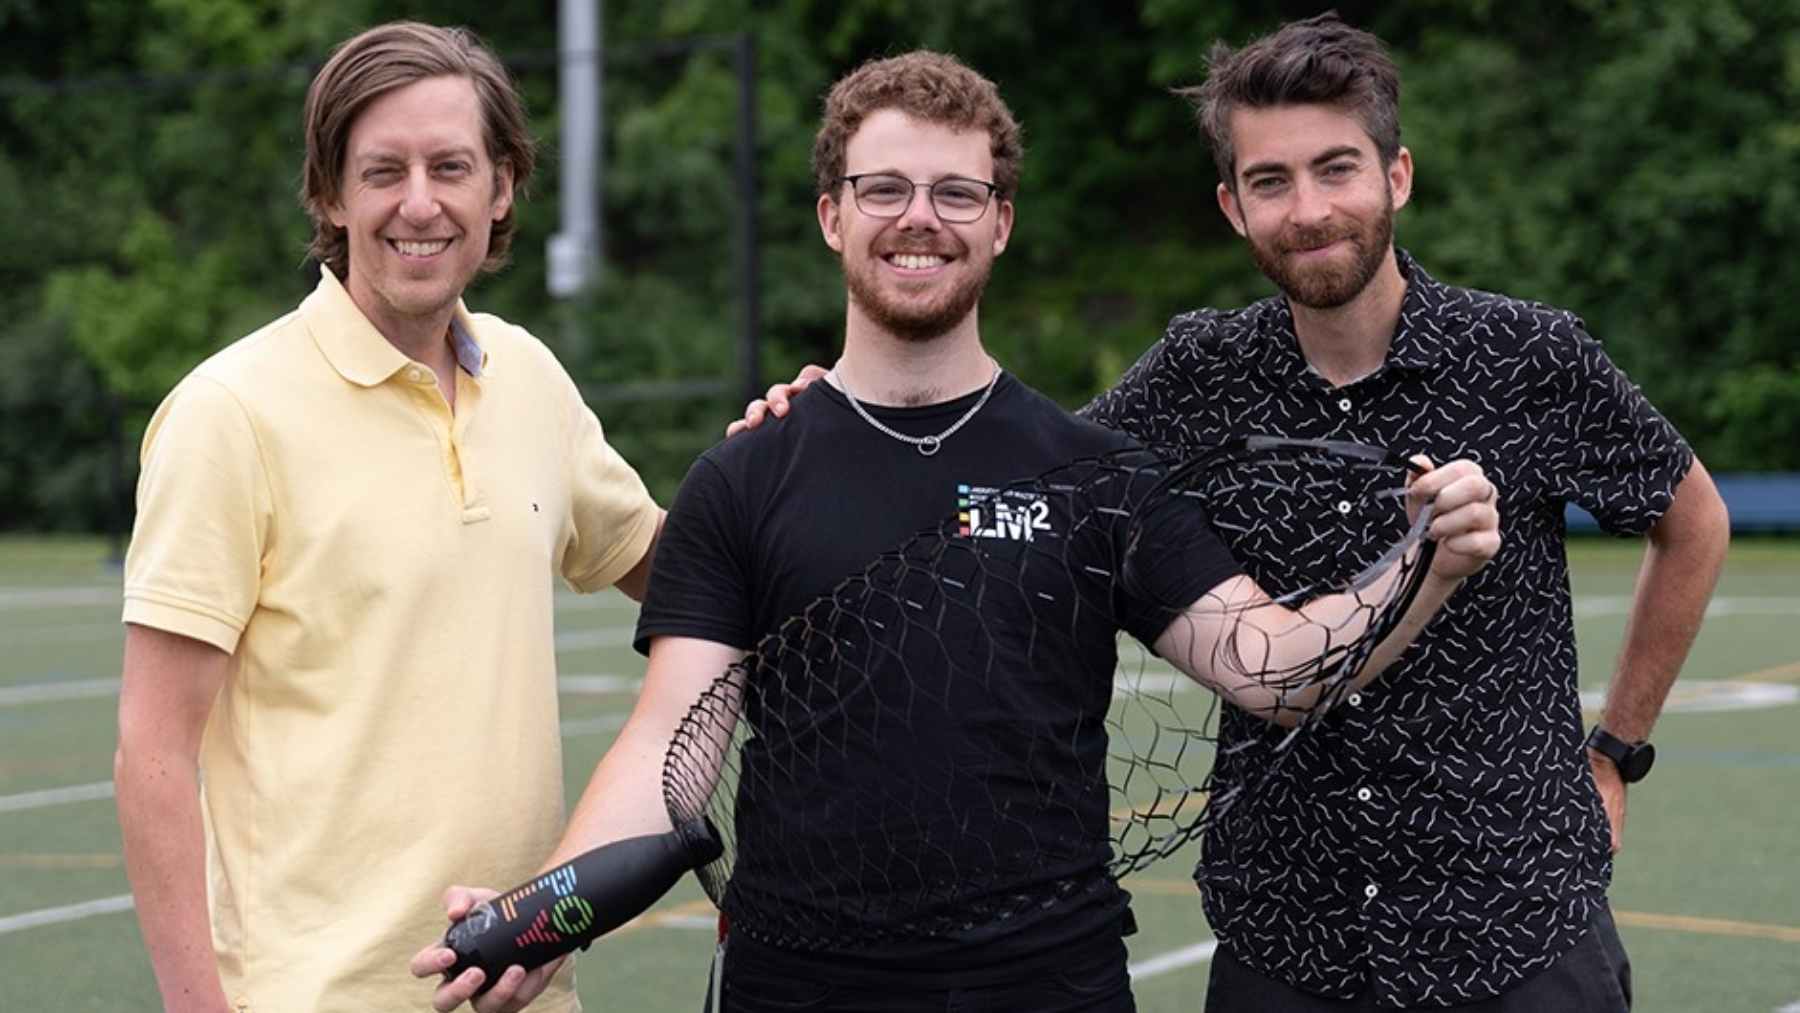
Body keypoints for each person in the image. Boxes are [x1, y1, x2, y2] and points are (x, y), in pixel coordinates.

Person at [412, 50, 1500, 1013]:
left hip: (1050, 978)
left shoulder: (1095, 471)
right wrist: (549, 914)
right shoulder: (744, 474)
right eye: (883, 188)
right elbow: (666, 750)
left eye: (954, 191)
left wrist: (1428, 562)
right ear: (833, 215)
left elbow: (1273, 669)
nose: (918, 217)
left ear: (1000, 221)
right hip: (797, 979)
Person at [737, 13, 1730, 1013]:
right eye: (1271, 181)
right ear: (1231, 204)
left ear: (1398, 175)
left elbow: (1692, 521)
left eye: (1336, 168)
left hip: (1514, 923)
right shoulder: (1199, 372)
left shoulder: (1530, 356)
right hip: (1287, 936)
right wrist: (855, 410)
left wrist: (1616, 749)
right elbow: (1016, 487)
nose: (1309, 209)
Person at [113, 22, 662, 1013]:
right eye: (383, 170)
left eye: (452, 166)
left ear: (501, 189)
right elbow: (152, 750)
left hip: (527, 990)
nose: (420, 202)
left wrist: (790, 449)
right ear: (331, 193)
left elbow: (677, 570)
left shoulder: (530, 376)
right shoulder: (228, 412)